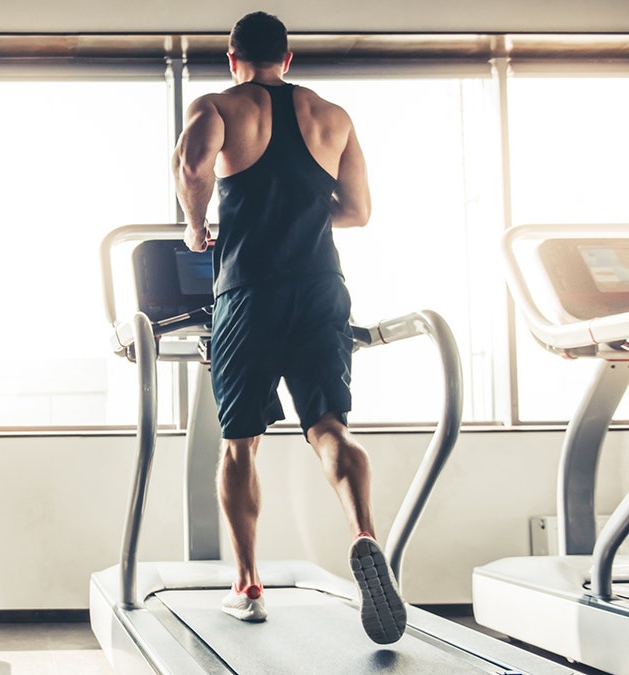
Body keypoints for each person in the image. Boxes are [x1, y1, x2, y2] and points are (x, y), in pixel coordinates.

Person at [172, 11, 406, 645]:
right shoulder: (333, 116)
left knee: (240, 443)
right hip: (322, 289)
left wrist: (197, 230)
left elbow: (193, 170)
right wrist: (300, 202)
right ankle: (363, 534)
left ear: (232, 58)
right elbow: (356, 210)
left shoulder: (218, 106)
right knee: (330, 427)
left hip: (248, 291)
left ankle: (247, 584)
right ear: (288, 58)